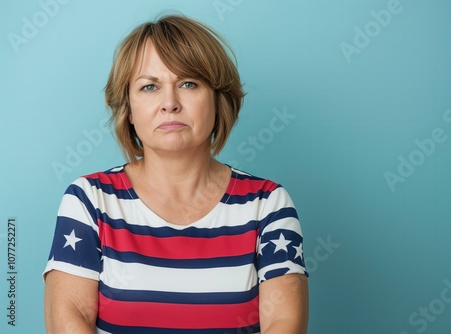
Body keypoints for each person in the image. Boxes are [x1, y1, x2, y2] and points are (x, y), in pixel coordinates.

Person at [43, 14, 308, 334]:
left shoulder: (268, 204)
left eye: (188, 83)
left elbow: (284, 323)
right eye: (150, 86)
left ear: (218, 99)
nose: (170, 103)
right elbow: (69, 320)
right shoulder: (90, 200)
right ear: (128, 108)